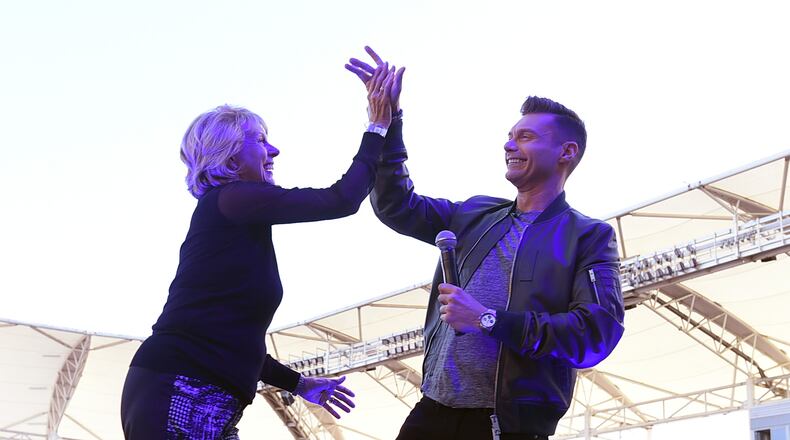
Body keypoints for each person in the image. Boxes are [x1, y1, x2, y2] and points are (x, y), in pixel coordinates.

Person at [346, 48, 625, 440]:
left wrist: (486, 319)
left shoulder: (588, 235)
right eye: (509, 137)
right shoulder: (474, 213)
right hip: (434, 408)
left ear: (567, 152)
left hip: (507, 423)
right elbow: (396, 205)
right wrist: (389, 125)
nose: (509, 145)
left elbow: (595, 333)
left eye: (525, 136)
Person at [120, 64, 398, 439]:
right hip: (179, 390)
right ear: (232, 156)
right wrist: (377, 126)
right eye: (261, 140)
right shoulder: (231, 199)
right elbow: (342, 199)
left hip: (200, 393)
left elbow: (226, 338)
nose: (274, 150)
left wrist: (299, 384)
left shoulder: (236, 216)